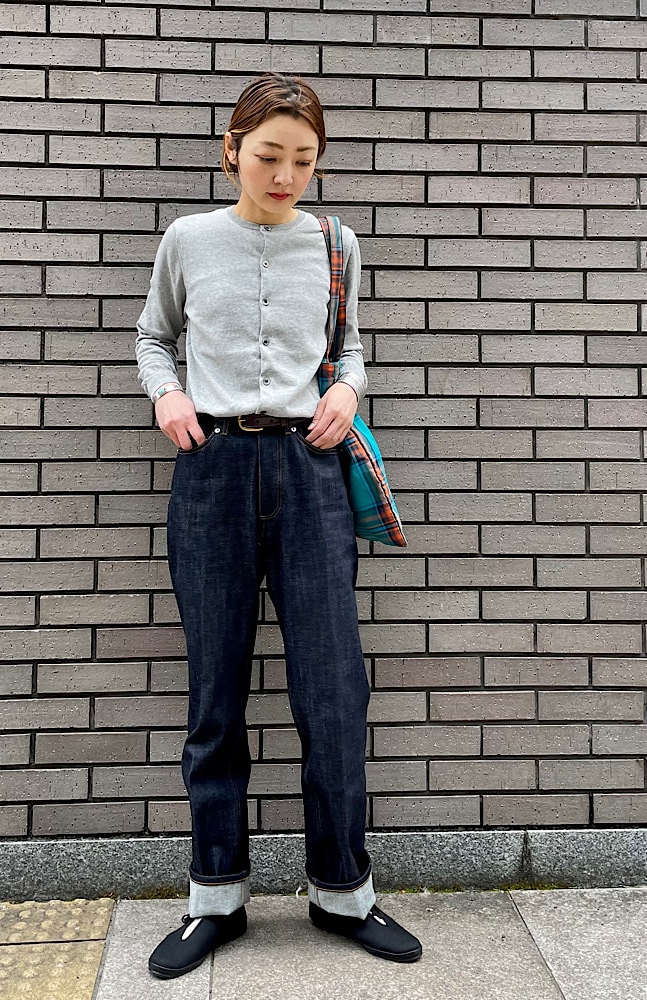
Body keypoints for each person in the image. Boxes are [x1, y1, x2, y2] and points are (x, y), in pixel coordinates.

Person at [135, 72, 422, 980]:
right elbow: (153, 337)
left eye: (304, 159)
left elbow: (350, 345)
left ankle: (344, 893)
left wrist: (347, 390)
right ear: (232, 150)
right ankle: (215, 897)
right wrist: (167, 395)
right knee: (214, 695)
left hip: (310, 473)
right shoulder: (187, 240)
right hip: (213, 471)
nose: (287, 175)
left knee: (333, 693)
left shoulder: (337, 243)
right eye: (269, 156)